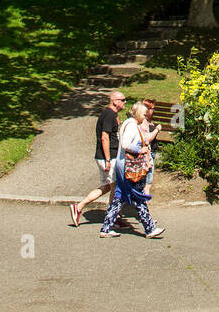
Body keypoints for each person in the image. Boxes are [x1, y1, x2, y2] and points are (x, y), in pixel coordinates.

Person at [99, 102, 165, 239]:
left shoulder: (129, 124)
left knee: (120, 196)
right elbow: (125, 144)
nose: (146, 117)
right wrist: (140, 150)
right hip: (130, 167)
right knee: (138, 195)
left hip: (123, 165)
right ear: (139, 114)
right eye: (144, 115)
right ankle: (150, 228)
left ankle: (106, 228)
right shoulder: (132, 126)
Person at [69, 90, 126, 227]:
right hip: (108, 157)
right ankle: (112, 217)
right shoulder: (109, 115)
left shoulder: (111, 115)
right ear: (115, 101)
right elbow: (104, 137)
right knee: (116, 186)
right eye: (123, 100)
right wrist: (107, 160)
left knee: (107, 186)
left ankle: (79, 207)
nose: (125, 102)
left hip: (107, 156)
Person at [138, 98, 162, 199]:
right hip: (147, 154)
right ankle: (144, 208)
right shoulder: (143, 122)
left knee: (146, 183)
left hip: (150, 153)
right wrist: (157, 129)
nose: (154, 111)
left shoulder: (148, 121)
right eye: (152, 109)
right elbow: (147, 139)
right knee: (147, 183)